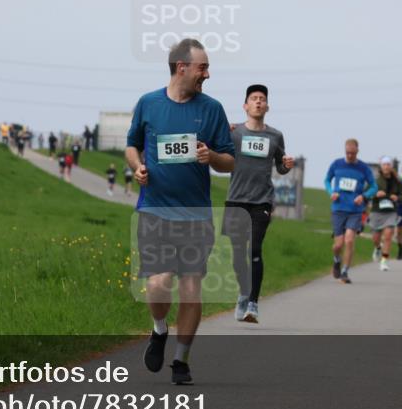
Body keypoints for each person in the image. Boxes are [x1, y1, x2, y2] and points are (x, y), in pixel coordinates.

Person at [126, 38, 234, 385]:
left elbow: (229, 161)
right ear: (181, 67)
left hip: (195, 214)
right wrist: (137, 167)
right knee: (158, 283)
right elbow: (132, 145)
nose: (208, 74)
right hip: (155, 210)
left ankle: (181, 361)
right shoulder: (148, 104)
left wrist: (212, 157)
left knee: (190, 290)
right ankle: (159, 329)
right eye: (203, 67)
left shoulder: (212, 109)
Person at [222, 84, 294, 324]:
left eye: (262, 99)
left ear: (267, 106)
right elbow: (215, 148)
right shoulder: (233, 132)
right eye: (254, 98)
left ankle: (253, 302)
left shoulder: (275, 136)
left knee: (254, 250)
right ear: (245, 105)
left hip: (261, 200)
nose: (258, 102)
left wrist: (286, 164)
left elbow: (281, 167)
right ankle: (243, 292)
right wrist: (221, 132)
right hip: (235, 199)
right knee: (237, 254)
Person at [324, 139, 377, 284]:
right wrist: (331, 192)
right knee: (338, 245)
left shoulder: (363, 168)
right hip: (338, 209)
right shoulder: (336, 164)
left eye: (352, 153)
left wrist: (364, 196)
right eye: (347, 153)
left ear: (357, 151)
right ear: (344, 150)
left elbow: (374, 186)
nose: (350, 155)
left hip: (355, 210)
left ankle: (345, 271)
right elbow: (327, 180)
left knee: (349, 240)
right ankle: (336, 260)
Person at [369, 157, 402, 272]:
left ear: (391, 167)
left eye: (388, 164)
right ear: (381, 166)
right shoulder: (375, 179)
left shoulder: (397, 180)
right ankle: (377, 248)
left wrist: (397, 198)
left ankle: (384, 261)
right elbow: (367, 193)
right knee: (375, 238)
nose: (386, 167)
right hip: (376, 211)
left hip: (391, 211)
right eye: (384, 164)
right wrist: (375, 194)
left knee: (389, 234)